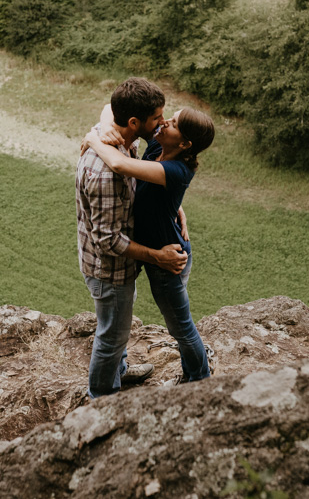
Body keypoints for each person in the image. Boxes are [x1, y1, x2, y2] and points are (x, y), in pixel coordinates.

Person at [84, 104, 215, 384]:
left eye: (174, 123)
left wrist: (94, 139)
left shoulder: (176, 169)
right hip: (158, 251)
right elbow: (111, 107)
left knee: (180, 327)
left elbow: (119, 164)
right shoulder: (159, 146)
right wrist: (105, 127)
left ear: (184, 143)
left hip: (167, 259)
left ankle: (198, 380)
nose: (165, 122)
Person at [76, 77, 188, 399]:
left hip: (120, 268)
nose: (162, 123)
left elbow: (108, 111)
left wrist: (174, 208)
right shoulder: (106, 173)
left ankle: (119, 371)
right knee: (111, 334)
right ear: (135, 122)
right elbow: (108, 242)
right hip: (108, 269)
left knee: (118, 323)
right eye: (157, 119)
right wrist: (158, 255)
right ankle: (102, 397)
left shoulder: (121, 136)